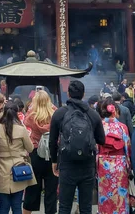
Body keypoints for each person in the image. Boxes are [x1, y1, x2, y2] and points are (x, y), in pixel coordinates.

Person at [49, 80, 105, 214]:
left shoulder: (59, 113)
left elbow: (52, 141)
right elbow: (102, 140)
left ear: (68, 93)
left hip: (67, 163)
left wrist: (54, 161)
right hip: (87, 164)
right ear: (83, 94)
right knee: (86, 207)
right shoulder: (93, 114)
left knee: (64, 206)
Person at [0, 102, 36, 214]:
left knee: (4, 206)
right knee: (17, 206)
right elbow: (30, 148)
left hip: (0, 167)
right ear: (17, 113)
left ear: (3, 112)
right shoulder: (21, 129)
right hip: (19, 168)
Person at [23, 90, 57, 214]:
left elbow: (25, 122)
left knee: (32, 187)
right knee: (51, 190)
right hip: (52, 153)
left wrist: (32, 108)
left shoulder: (31, 116)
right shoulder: (55, 114)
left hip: (35, 152)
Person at [97, 98, 131, 214]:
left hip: (103, 164)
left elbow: (96, 147)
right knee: (120, 195)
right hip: (119, 165)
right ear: (115, 110)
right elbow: (127, 147)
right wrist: (128, 165)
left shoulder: (99, 126)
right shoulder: (122, 127)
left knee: (105, 194)